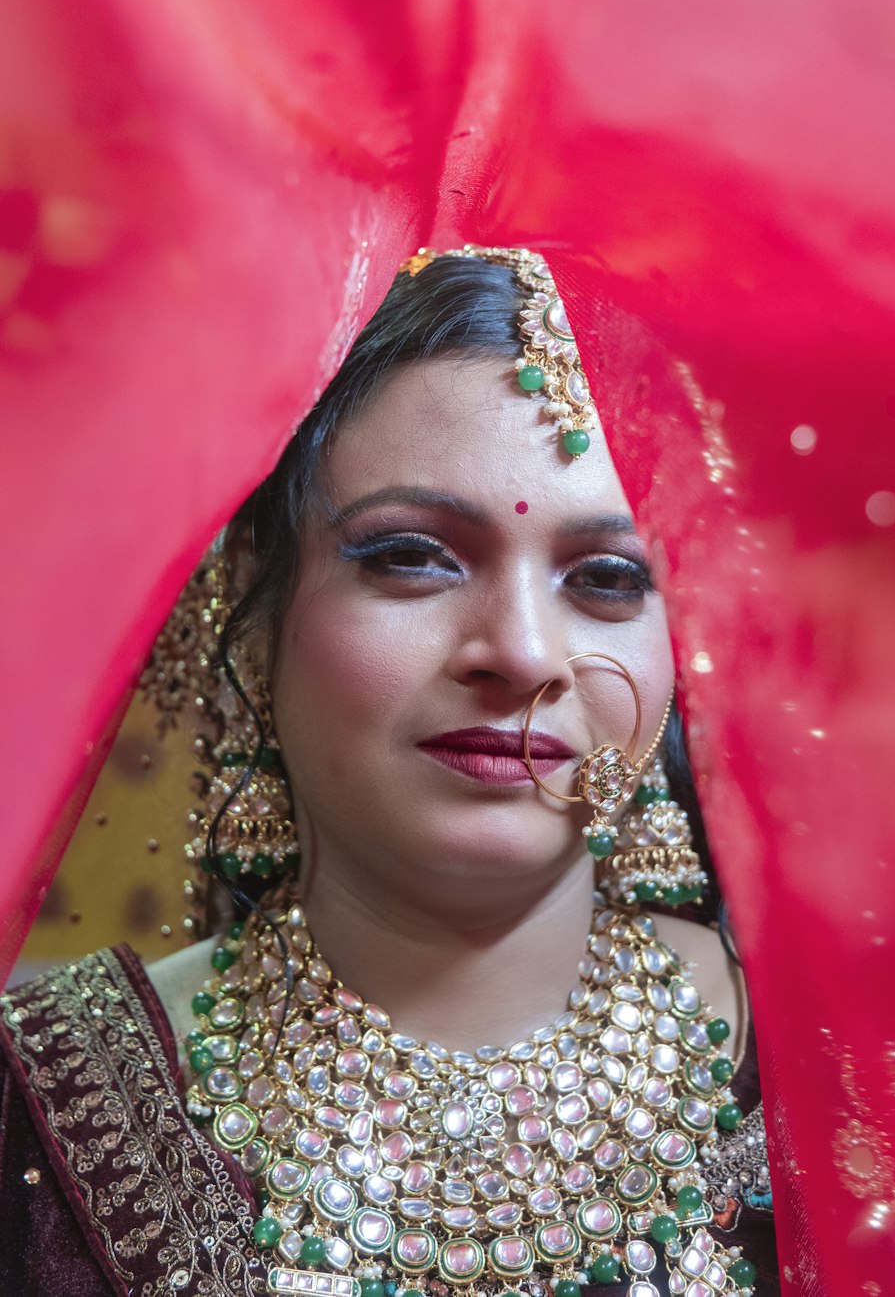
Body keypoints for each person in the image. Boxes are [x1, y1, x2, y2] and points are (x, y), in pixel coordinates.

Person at [0, 248, 777, 1296]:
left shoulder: (851, 1082)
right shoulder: (38, 1102)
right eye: (412, 555)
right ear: (256, 603)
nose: (522, 651)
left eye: (605, 577)